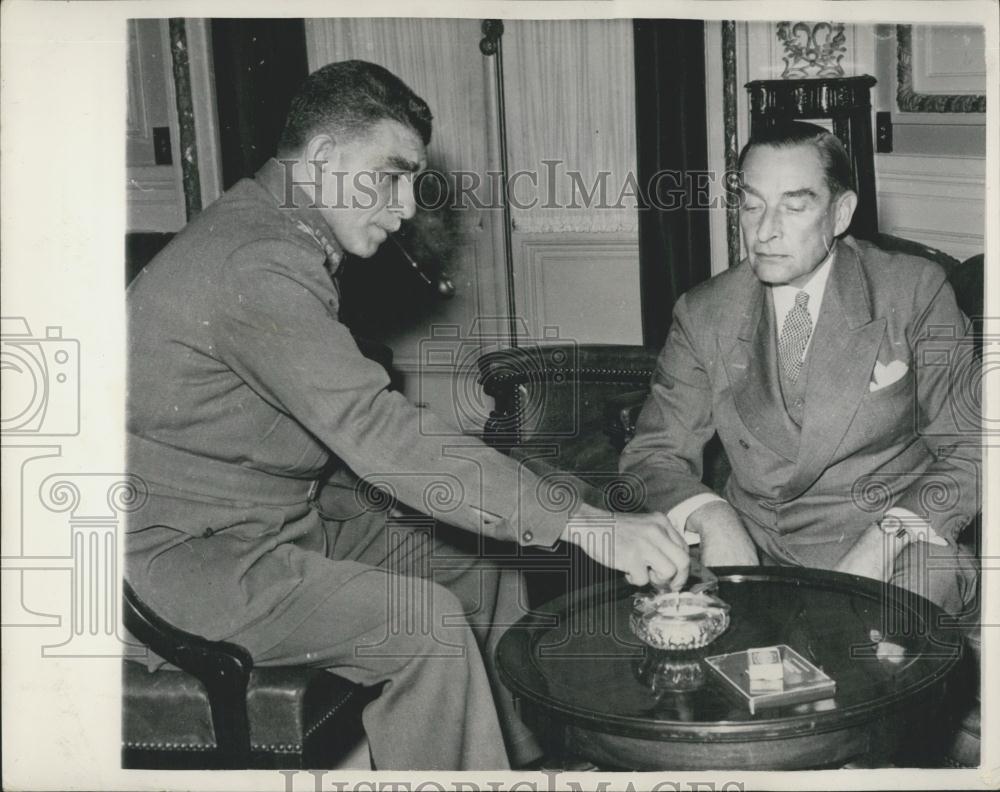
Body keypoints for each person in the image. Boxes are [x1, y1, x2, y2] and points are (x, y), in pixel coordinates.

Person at [125, 59, 690, 771]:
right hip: (184, 562)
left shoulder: (275, 231)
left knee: (474, 558)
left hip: (264, 525)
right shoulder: (259, 262)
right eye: (390, 177)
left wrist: (554, 501)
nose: (402, 210)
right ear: (325, 158)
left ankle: (515, 765)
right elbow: (381, 434)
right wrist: (587, 524)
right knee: (429, 628)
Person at [621, 121, 979, 615]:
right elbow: (654, 457)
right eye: (751, 204)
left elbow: (975, 448)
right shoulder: (705, 311)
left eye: (794, 205)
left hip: (889, 550)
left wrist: (887, 536)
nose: (765, 231)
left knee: (901, 622)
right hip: (751, 550)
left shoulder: (913, 292)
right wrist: (712, 517)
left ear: (840, 213)